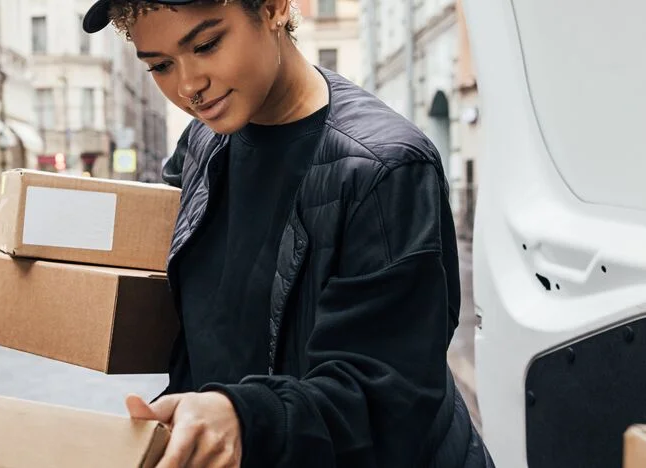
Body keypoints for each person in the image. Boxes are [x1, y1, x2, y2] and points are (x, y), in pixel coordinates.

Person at [82, 1, 494, 466]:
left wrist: (242, 417)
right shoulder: (201, 142)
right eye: (160, 65)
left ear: (276, 8)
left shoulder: (386, 166)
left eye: (206, 44)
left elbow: (388, 393)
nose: (189, 85)